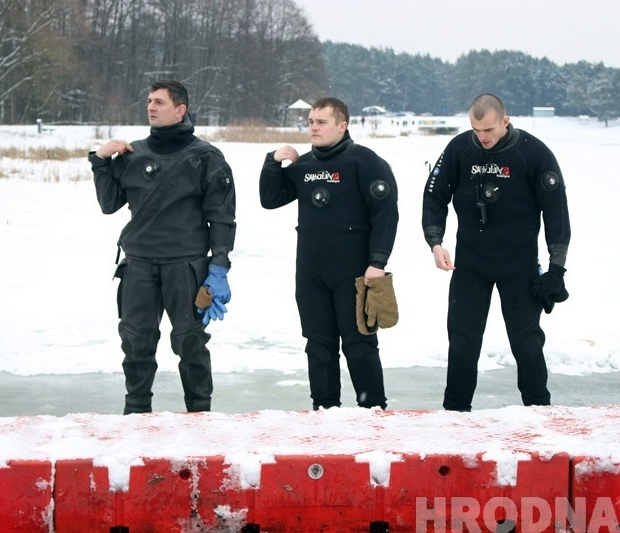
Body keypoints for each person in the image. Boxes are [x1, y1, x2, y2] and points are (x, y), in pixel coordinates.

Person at [89, 79, 236, 414]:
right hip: (139, 265)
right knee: (136, 342)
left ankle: (199, 412)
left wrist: (219, 266)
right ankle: (136, 412)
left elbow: (223, 218)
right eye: (149, 101)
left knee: (190, 342)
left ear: (180, 110)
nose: (151, 107)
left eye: (159, 102)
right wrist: (101, 162)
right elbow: (109, 203)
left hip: (185, 266)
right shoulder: (133, 155)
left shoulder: (206, 158)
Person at [422, 93, 571, 412]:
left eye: (488, 130)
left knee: (527, 343)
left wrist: (556, 270)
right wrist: (435, 242)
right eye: (476, 130)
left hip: (518, 266)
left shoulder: (533, 153)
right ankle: (455, 415)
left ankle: (538, 412)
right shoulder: (460, 149)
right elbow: (434, 198)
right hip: (470, 265)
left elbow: (556, 213)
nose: (482, 137)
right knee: (462, 343)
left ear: (505, 121)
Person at [259, 97, 399, 410]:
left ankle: (373, 409)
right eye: (311, 122)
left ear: (342, 125)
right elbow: (270, 199)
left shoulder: (365, 162)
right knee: (318, 346)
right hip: (311, 272)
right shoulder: (305, 165)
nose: (313, 127)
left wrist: (378, 262)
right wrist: (272, 162)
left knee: (359, 345)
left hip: (354, 272)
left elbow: (386, 214)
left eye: (321, 122)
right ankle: (324, 411)